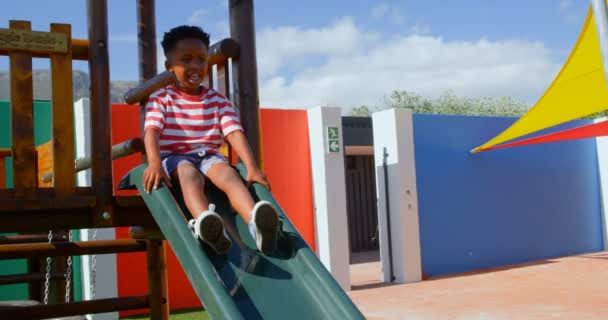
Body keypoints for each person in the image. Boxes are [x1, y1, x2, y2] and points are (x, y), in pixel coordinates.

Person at [142, 25, 279, 255]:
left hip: (209, 155)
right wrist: (154, 163)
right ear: (170, 67)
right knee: (189, 175)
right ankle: (204, 222)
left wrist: (253, 168)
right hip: (176, 158)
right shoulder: (161, 99)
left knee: (229, 175)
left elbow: (234, 132)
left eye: (201, 60)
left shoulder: (216, 99)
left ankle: (255, 223)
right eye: (186, 60)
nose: (195, 66)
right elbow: (152, 131)